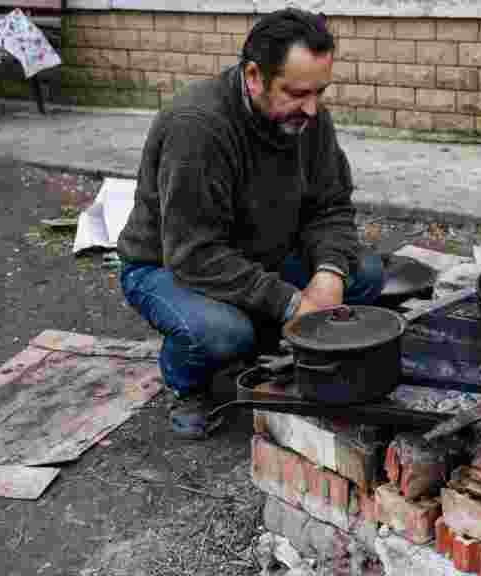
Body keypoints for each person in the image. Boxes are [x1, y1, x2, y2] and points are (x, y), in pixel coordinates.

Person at [116, 8, 384, 438]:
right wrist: (292, 304)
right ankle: (187, 383)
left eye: (320, 92)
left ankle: (259, 336)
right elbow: (195, 255)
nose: (312, 108)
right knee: (221, 332)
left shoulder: (310, 118)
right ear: (255, 75)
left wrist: (329, 274)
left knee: (364, 274)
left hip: (260, 256)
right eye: (296, 93)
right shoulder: (198, 127)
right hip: (167, 266)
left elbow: (330, 207)